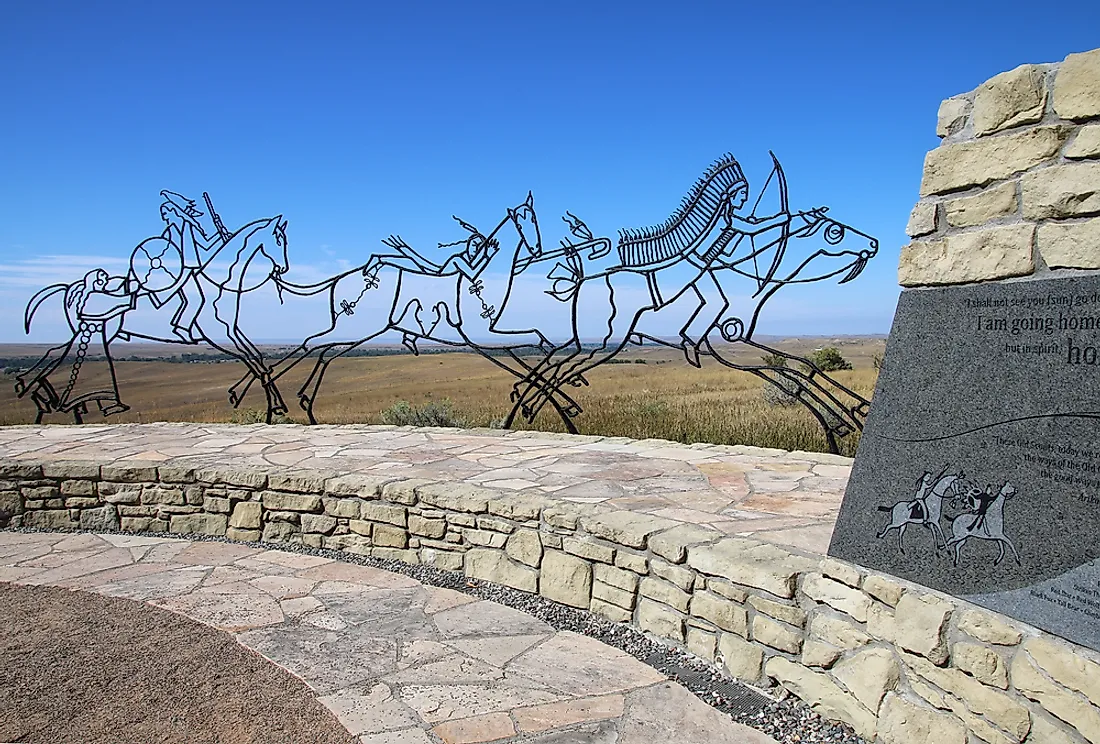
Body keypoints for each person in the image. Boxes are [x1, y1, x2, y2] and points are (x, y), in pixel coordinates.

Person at [149, 191, 222, 342]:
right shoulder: (169, 232)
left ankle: (182, 327)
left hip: (188, 269)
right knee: (192, 299)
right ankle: (181, 327)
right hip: (179, 271)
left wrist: (220, 235)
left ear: (173, 211)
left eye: (165, 213)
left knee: (196, 300)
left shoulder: (188, 227)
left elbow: (206, 246)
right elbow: (163, 252)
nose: (163, 217)